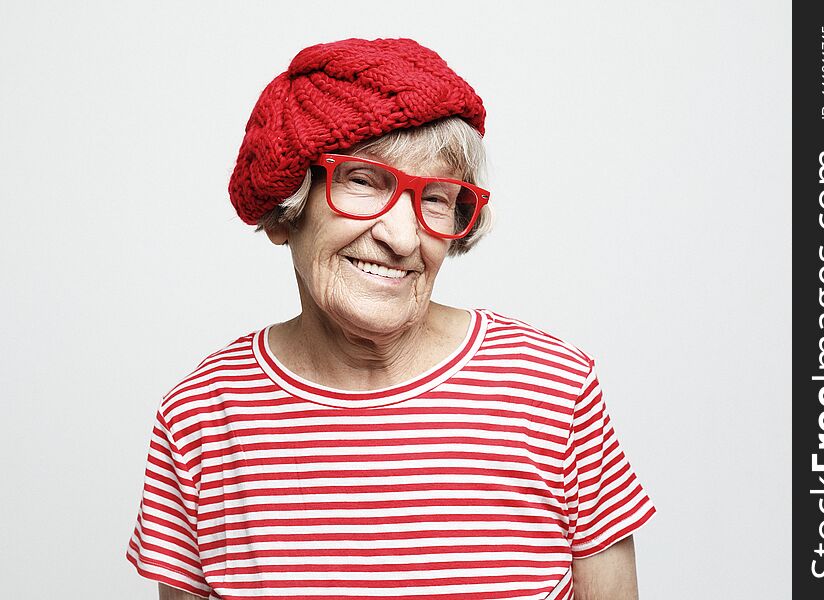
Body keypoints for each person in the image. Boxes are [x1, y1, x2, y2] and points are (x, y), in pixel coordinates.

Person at [125, 37, 655, 600]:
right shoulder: (203, 418)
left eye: (435, 197)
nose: (403, 238)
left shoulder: (554, 392)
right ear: (285, 211)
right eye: (362, 180)